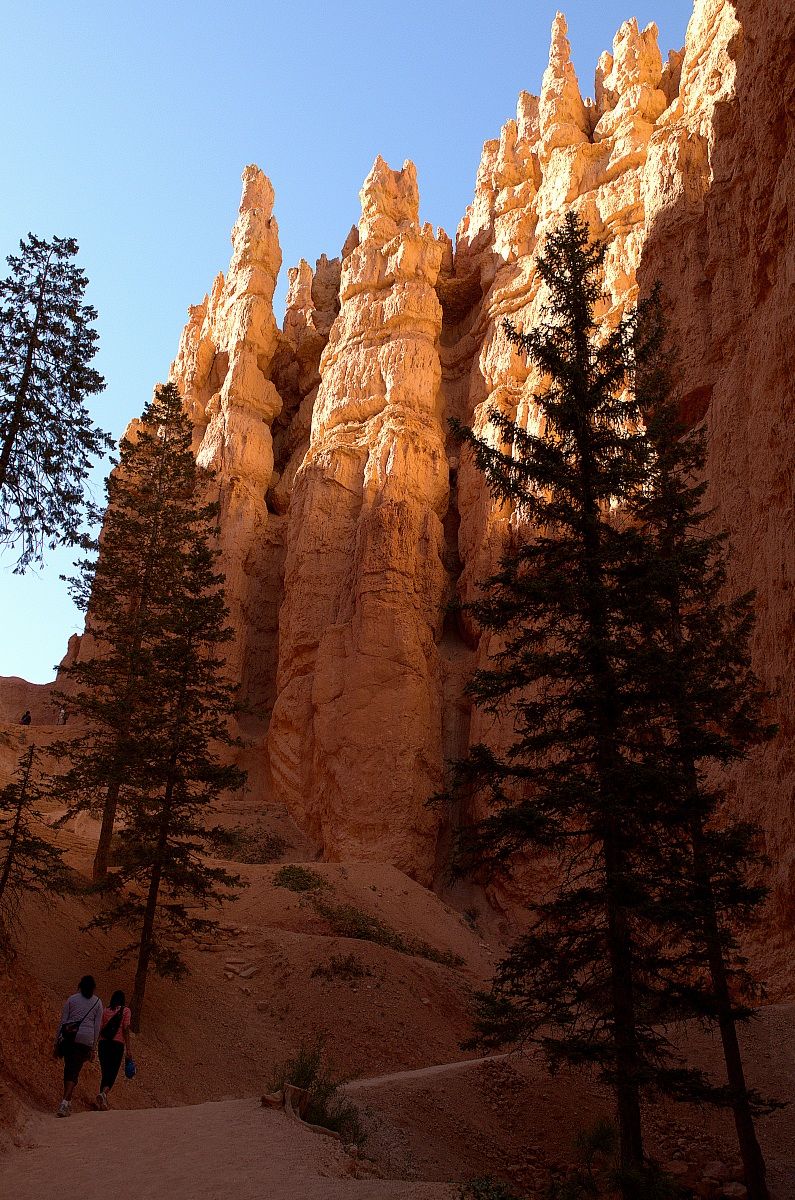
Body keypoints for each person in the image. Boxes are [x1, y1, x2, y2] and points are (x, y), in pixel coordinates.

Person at [55, 975, 103, 1117]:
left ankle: (65, 1102)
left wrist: (56, 1041)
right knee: (74, 1070)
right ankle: (65, 1102)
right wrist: (93, 1047)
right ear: (93, 988)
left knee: (70, 1069)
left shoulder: (71, 999)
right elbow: (97, 1027)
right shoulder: (97, 1003)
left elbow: (63, 1022)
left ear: (80, 986)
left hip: (70, 1038)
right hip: (85, 1040)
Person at [96, 989, 132, 1110]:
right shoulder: (126, 1011)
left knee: (105, 1072)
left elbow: (100, 1028)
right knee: (112, 1072)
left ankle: (102, 1102)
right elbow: (126, 1029)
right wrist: (128, 1048)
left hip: (103, 1044)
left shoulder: (105, 1010)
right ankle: (104, 1094)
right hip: (117, 1044)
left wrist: (94, 1045)